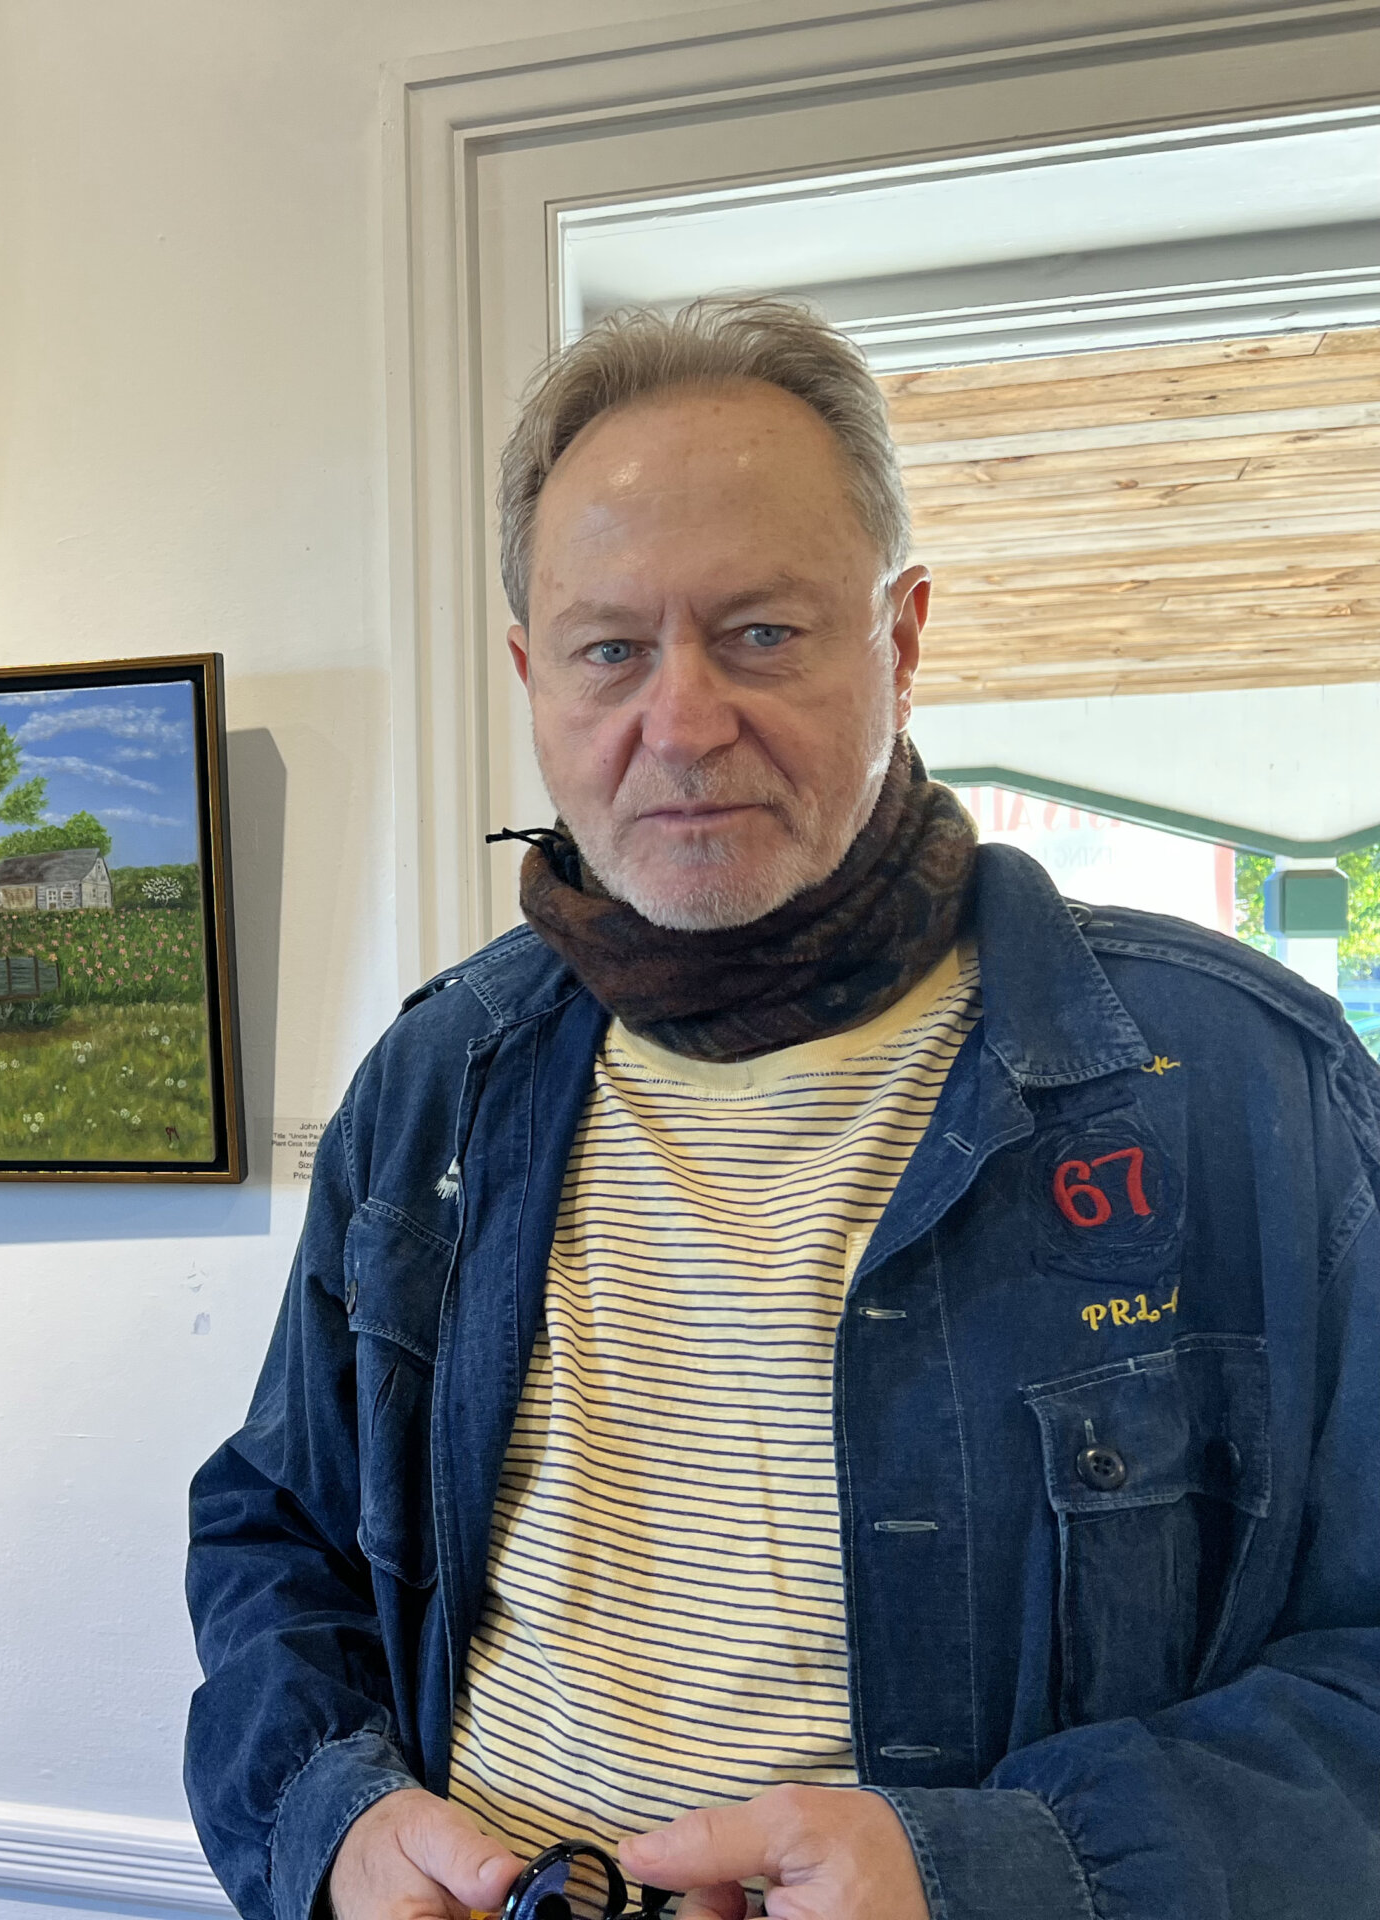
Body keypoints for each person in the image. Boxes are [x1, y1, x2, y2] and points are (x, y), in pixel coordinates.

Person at [184, 296, 1380, 1920]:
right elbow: (275, 1533)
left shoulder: (1246, 1088)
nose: (679, 725)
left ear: (899, 638)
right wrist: (331, 1822)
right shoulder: (435, 1085)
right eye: (611, 650)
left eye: (760, 633)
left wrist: (987, 1875)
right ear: (535, 675)